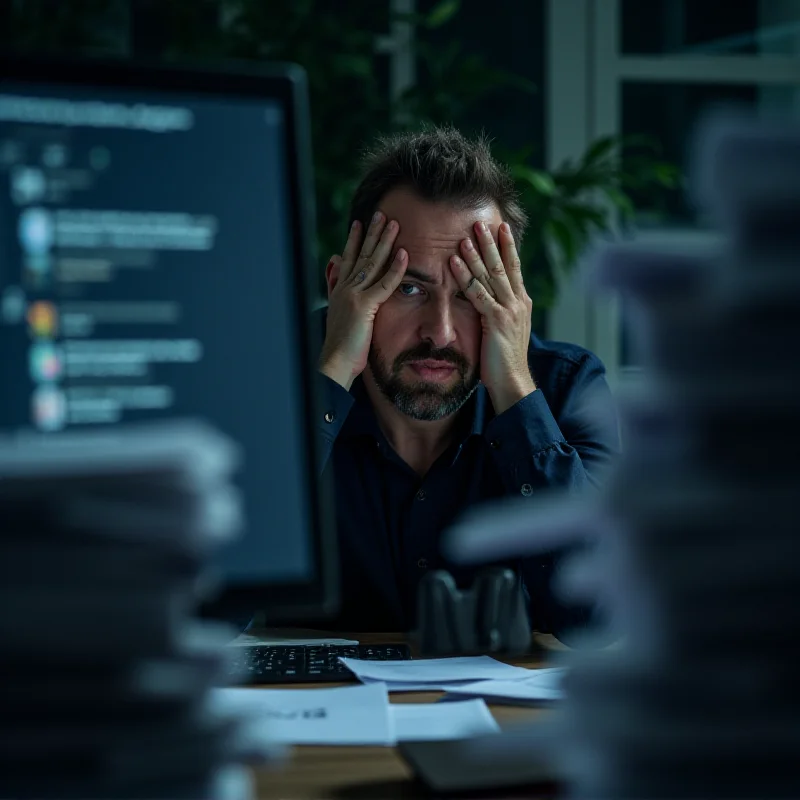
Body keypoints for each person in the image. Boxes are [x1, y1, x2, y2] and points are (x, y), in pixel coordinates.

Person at [314, 126, 620, 638]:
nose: (440, 332)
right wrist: (331, 380)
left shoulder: (568, 388)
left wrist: (517, 392)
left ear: (513, 299)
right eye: (409, 288)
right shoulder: (279, 380)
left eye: (471, 294)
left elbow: (596, 617)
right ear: (341, 285)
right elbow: (213, 605)